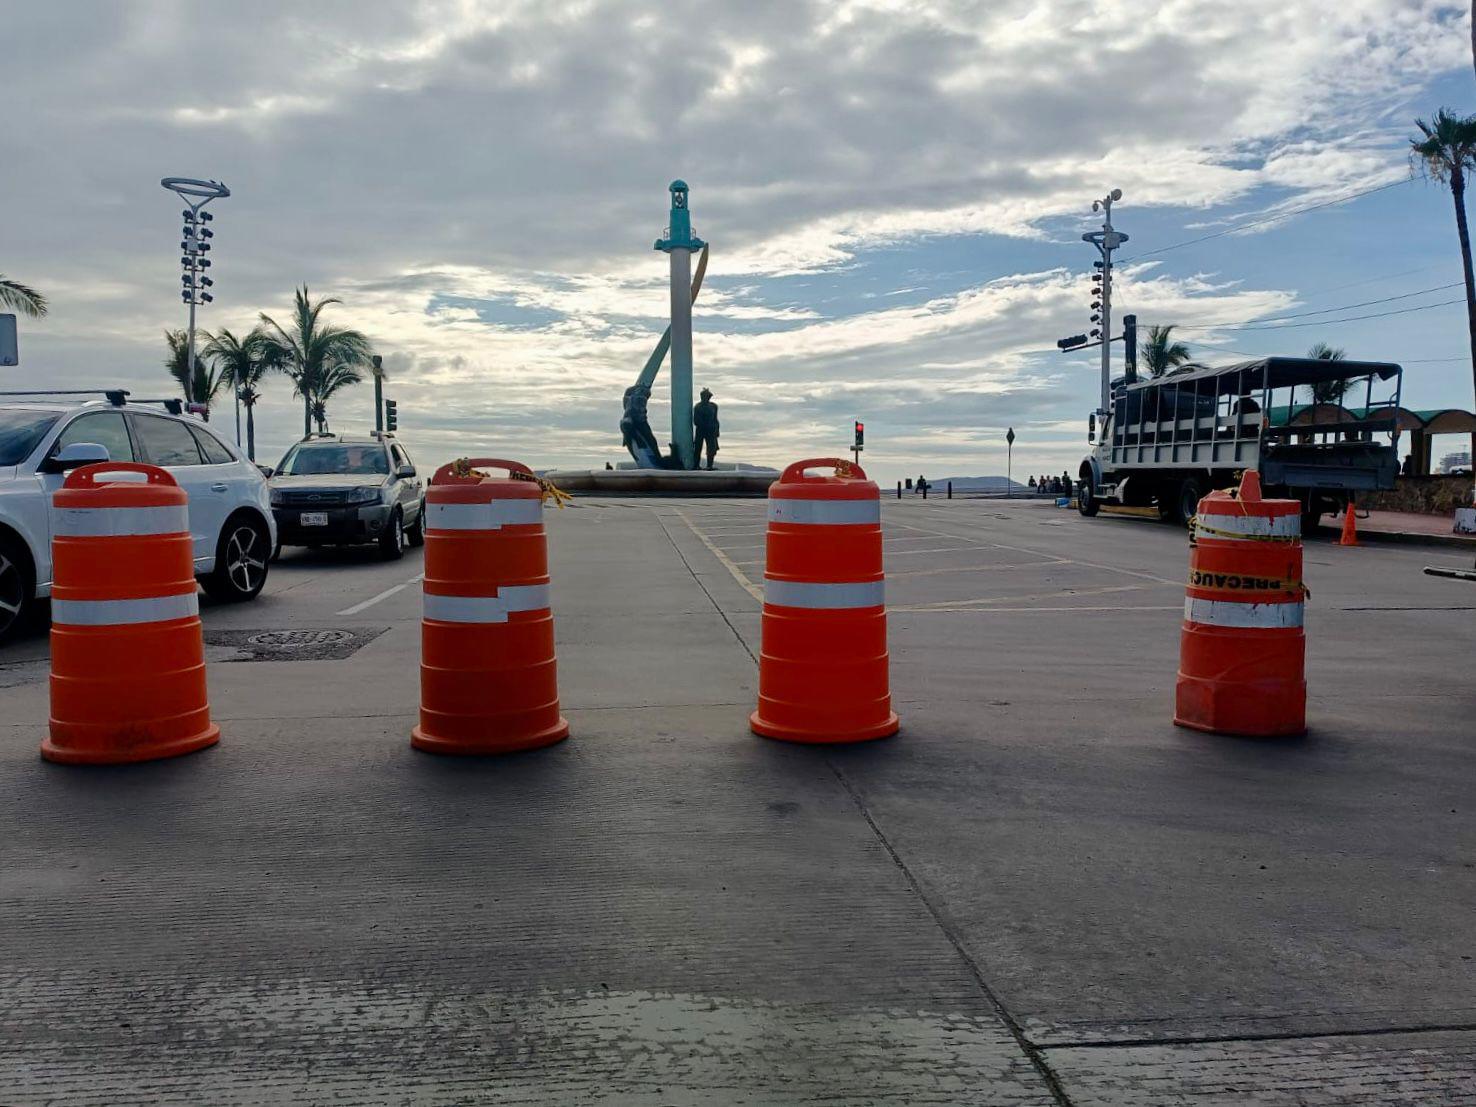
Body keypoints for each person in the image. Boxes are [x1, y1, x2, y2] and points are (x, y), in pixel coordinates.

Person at [693, 387, 720, 471]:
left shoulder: (714, 406)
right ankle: (696, 465)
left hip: (711, 431)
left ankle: (709, 465)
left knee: (711, 449)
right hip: (701, 430)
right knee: (698, 448)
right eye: (705, 396)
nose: (707, 398)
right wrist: (705, 425)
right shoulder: (698, 407)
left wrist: (717, 430)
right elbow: (696, 420)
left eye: (708, 396)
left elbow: (715, 419)